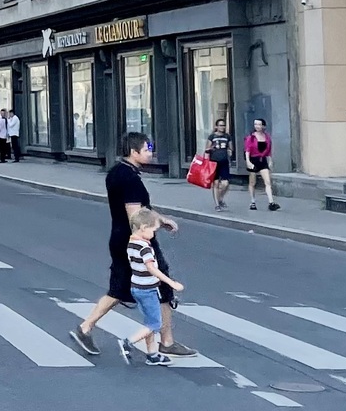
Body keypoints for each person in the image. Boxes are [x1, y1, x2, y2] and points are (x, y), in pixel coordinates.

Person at [67, 131, 195, 358]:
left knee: (119, 289)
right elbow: (136, 216)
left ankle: (85, 328)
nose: (151, 153)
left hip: (120, 239)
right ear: (133, 152)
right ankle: (165, 341)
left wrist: (161, 220)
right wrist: (149, 237)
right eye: (147, 149)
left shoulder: (117, 172)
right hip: (136, 243)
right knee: (162, 285)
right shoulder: (131, 179)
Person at [119, 209, 184, 365]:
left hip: (136, 287)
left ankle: (152, 354)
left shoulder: (131, 243)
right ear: (143, 227)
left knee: (149, 322)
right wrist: (171, 282)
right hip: (147, 290)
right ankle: (128, 342)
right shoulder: (145, 248)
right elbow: (152, 269)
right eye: (153, 230)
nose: (154, 234)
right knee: (156, 324)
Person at [244, 118, 278, 211]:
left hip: (263, 160)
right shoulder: (251, 137)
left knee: (267, 182)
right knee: (252, 182)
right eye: (255, 124)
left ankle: (271, 202)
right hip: (253, 160)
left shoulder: (266, 137)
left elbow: (269, 150)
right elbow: (247, 150)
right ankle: (252, 202)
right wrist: (248, 161)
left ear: (263, 126)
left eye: (259, 124)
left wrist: (270, 160)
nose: (257, 126)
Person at [204, 119, 235, 210]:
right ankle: (217, 204)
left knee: (225, 183)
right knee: (216, 183)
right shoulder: (212, 136)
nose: (222, 127)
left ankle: (220, 198)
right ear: (216, 127)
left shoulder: (227, 136)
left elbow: (231, 148)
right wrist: (210, 150)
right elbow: (207, 149)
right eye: (220, 125)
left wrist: (229, 151)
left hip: (224, 162)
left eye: (223, 125)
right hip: (213, 162)